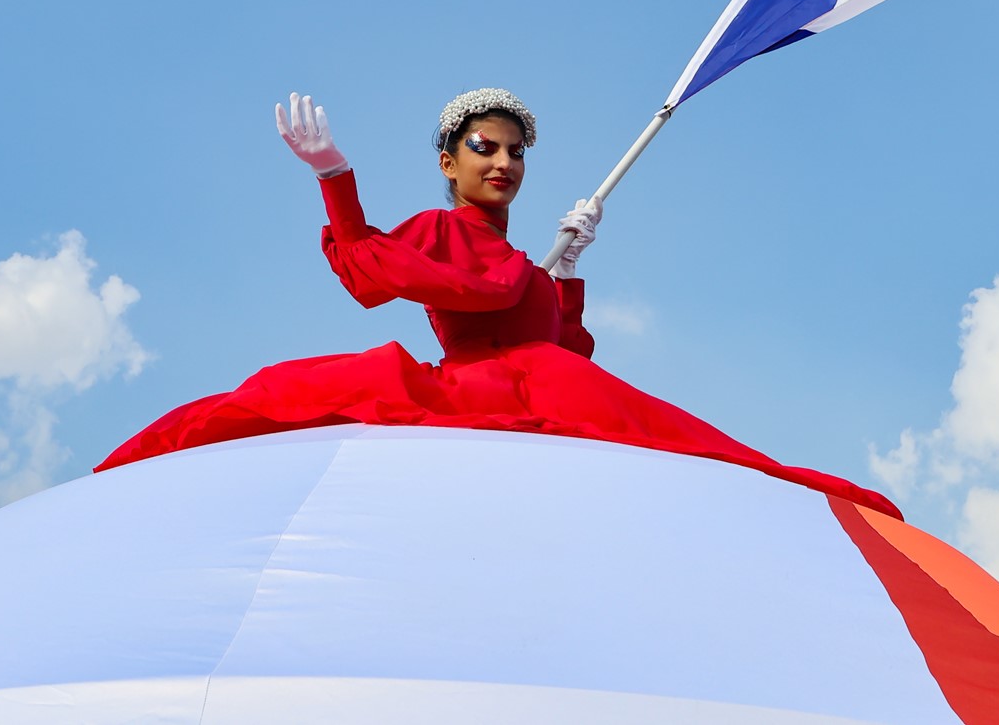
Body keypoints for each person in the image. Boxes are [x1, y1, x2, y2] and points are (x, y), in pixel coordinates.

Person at [97, 88, 899, 518]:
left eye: (516, 150)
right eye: (486, 146)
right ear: (449, 160)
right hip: (480, 386)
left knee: (706, 451)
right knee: (277, 394)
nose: (505, 160)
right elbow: (372, 271)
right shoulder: (444, 229)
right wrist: (335, 178)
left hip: (552, 386)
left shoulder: (523, 259)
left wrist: (568, 268)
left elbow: (566, 345)